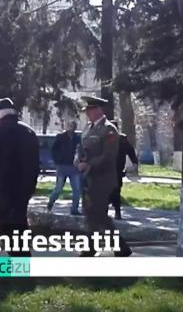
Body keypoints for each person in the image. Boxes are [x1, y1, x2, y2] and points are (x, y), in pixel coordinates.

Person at [75, 96, 132, 257]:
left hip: (103, 179)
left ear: (99, 110)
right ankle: (117, 247)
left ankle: (97, 247)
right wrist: (77, 161)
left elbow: (108, 156)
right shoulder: (88, 128)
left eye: (90, 110)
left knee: (98, 213)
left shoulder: (109, 130)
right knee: (90, 212)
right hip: (88, 178)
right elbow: (81, 149)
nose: (88, 114)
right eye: (87, 111)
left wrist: (90, 165)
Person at [0, 98, 39, 257]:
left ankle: (16, 253)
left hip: (4, 185)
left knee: (1, 219)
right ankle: (23, 255)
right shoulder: (28, 131)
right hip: (25, 186)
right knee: (20, 220)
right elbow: (35, 162)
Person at [47, 120, 84, 215]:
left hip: (73, 167)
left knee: (77, 189)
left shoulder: (77, 138)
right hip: (62, 166)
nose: (72, 128)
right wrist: (57, 161)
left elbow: (80, 150)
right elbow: (53, 150)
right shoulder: (61, 137)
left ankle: (74, 209)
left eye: (74, 126)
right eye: (70, 126)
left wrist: (80, 160)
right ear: (67, 127)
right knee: (58, 188)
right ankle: (50, 204)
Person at [109, 120, 139, 220]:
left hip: (117, 170)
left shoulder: (122, 139)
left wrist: (134, 163)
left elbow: (130, 151)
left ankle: (117, 212)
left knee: (116, 191)